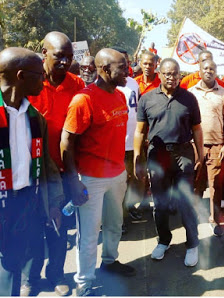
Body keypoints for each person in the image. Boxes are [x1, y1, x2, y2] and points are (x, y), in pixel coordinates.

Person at [61, 48, 135, 296]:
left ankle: (110, 262)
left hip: (117, 175)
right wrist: (73, 181)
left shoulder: (120, 96)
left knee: (115, 224)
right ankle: (84, 283)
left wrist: (126, 170)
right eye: (122, 67)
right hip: (91, 179)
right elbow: (67, 142)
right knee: (89, 234)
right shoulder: (84, 99)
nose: (127, 71)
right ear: (104, 70)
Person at [24, 31, 85, 296]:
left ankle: (57, 274)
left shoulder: (78, 84)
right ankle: (29, 278)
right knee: (31, 226)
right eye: (59, 56)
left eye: (69, 57)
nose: (65, 62)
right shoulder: (29, 81)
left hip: (64, 171)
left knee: (60, 227)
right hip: (31, 171)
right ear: (44, 52)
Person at [0, 47, 64, 296]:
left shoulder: (36, 118)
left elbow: (45, 165)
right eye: (39, 74)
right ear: (20, 76)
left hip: (27, 199)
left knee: (17, 263)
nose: (45, 80)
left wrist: (54, 203)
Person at [133, 58, 203, 267]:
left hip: (183, 153)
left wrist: (200, 155)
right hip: (158, 155)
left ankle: (192, 244)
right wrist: (138, 157)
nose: (171, 77)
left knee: (185, 202)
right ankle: (164, 240)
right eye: (167, 74)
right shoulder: (147, 99)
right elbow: (139, 131)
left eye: (175, 74)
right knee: (160, 204)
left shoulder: (189, 99)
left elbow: (197, 129)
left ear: (180, 75)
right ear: (160, 74)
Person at [189, 59, 224, 236]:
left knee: (215, 184)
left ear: (216, 71)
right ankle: (194, 215)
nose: (209, 71)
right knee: (195, 182)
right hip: (194, 145)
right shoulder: (191, 93)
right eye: (205, 68)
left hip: (216, 145)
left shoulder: (223, 94)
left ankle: (214, 219)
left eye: (212, 69)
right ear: (199, 71)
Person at [113, 47, 144, 228]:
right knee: (119, 183)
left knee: (134, 179)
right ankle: (120, 218)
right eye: (120, 61)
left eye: (126, 61)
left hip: (133, 141)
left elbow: (138, 110)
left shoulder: (133, 83)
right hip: (116, 144)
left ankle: (129, 208)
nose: (124, 65)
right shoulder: (108, 84)